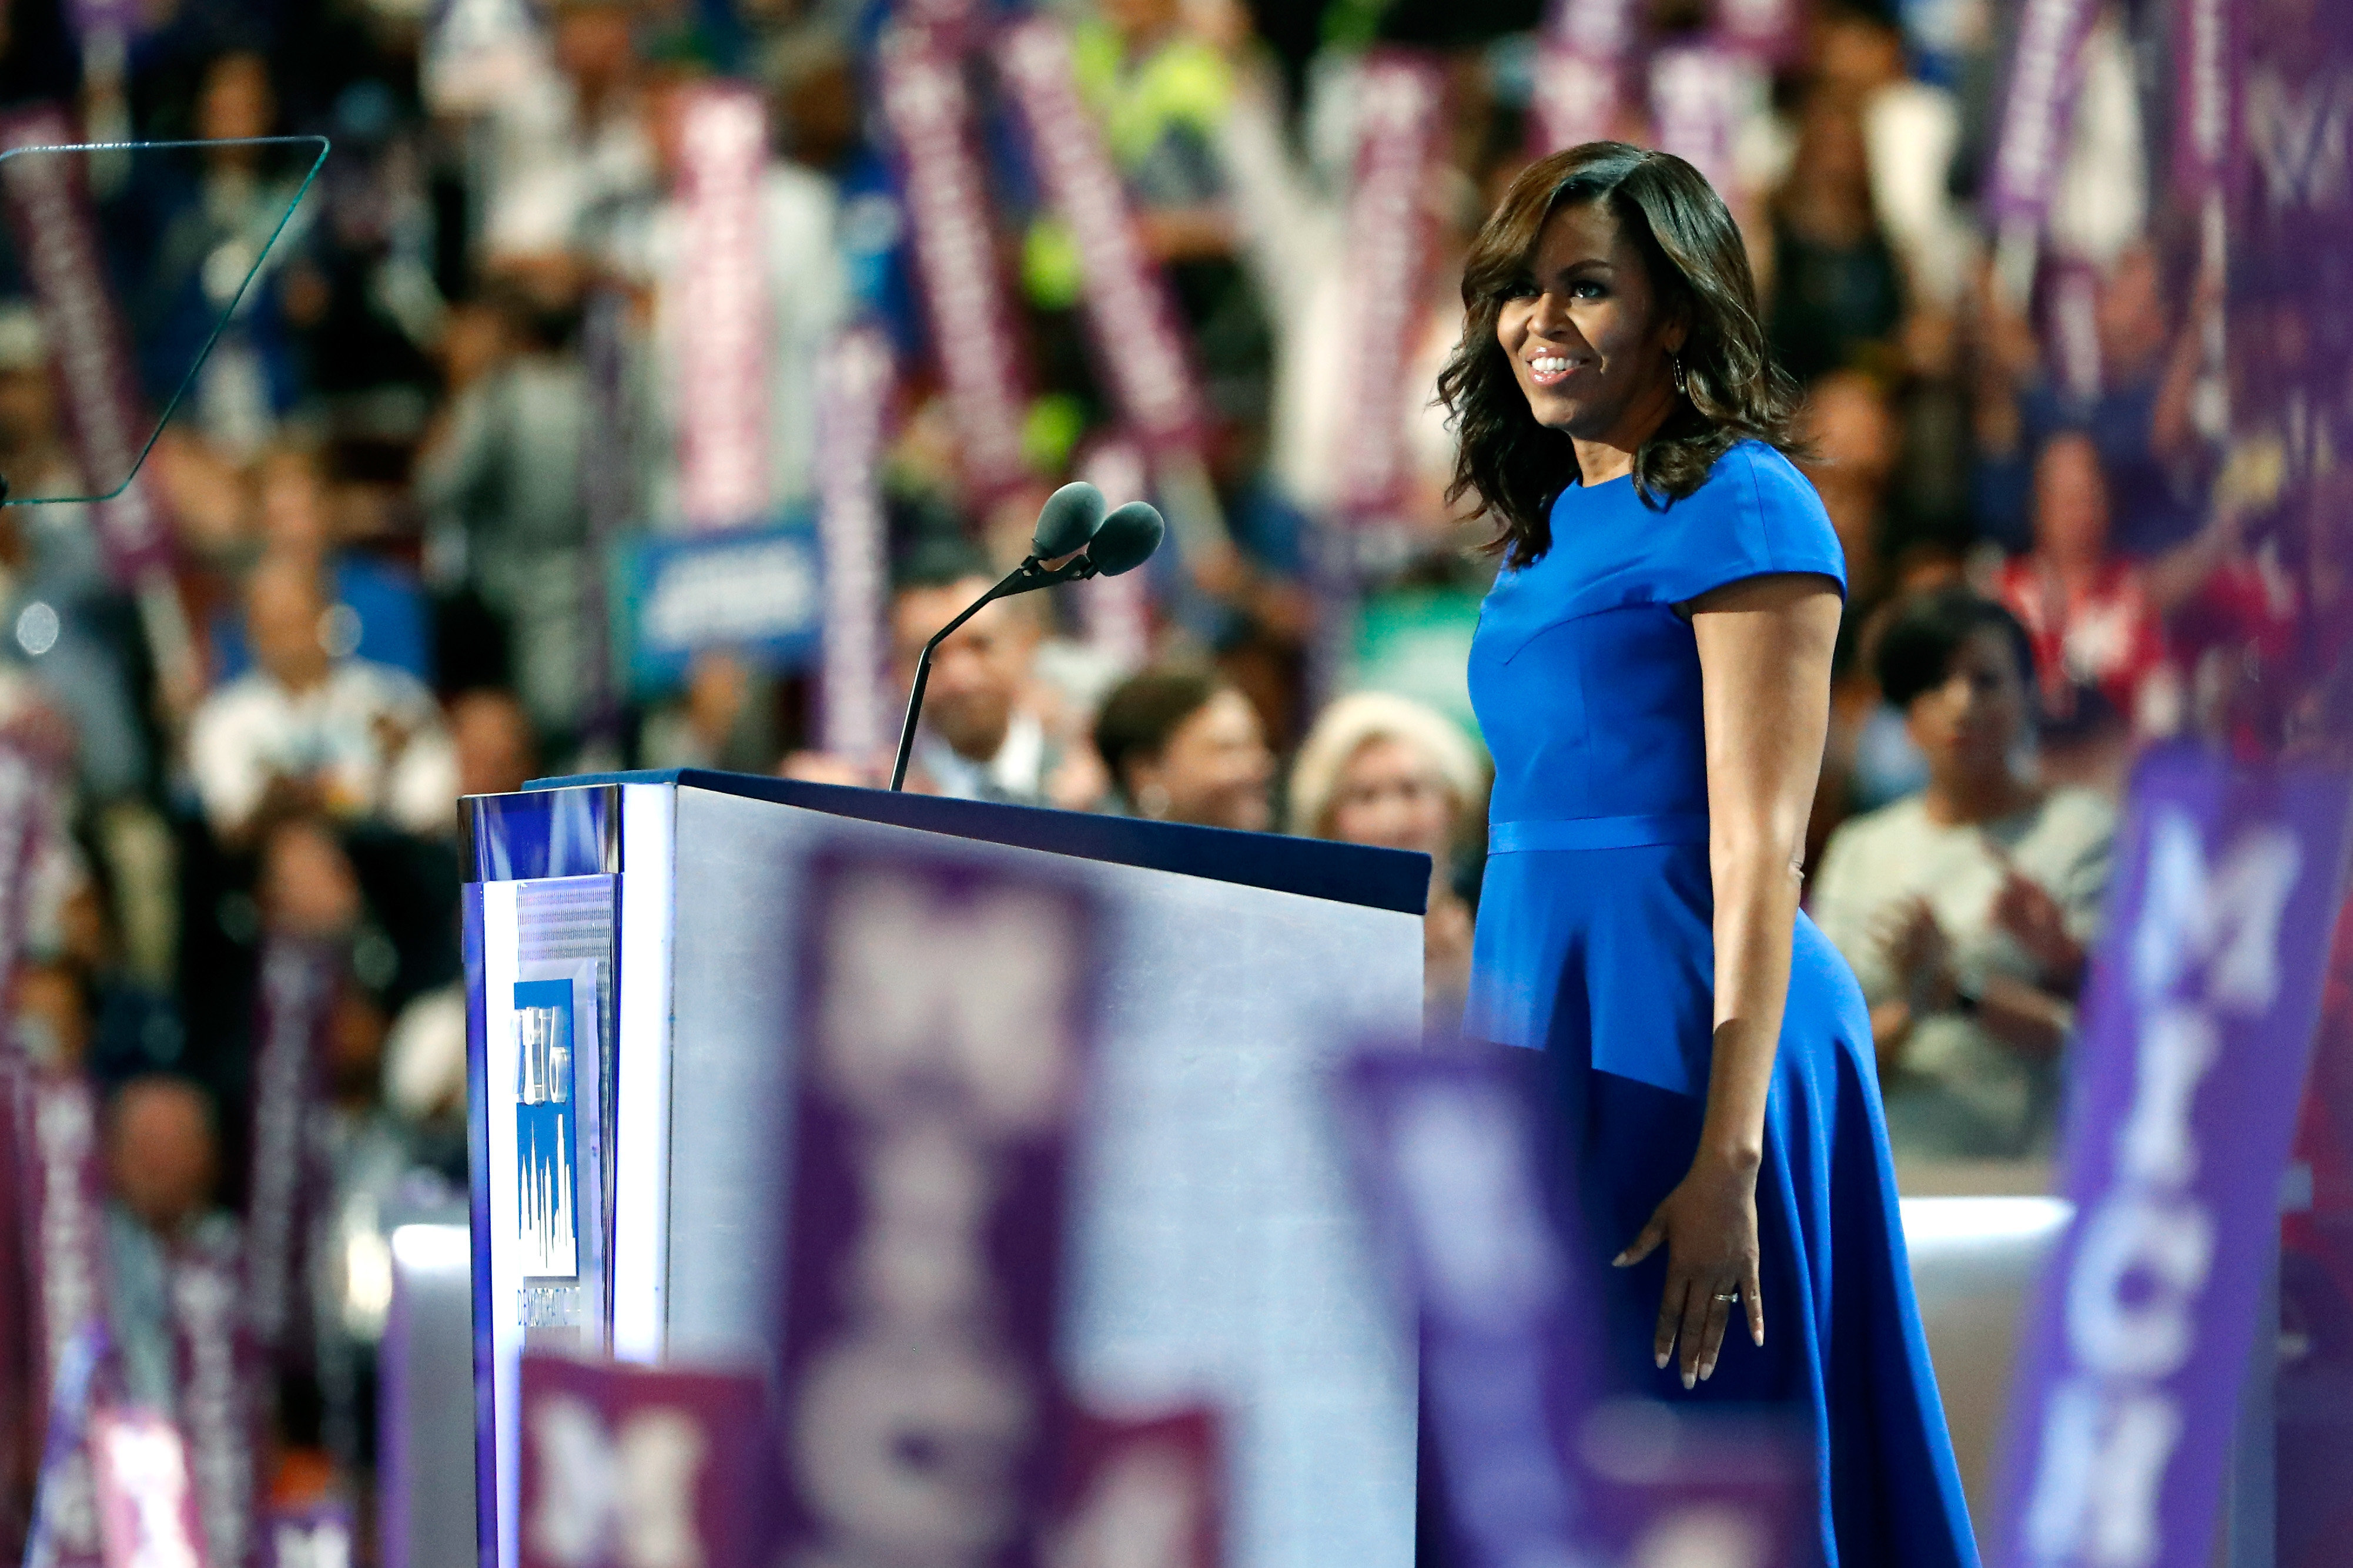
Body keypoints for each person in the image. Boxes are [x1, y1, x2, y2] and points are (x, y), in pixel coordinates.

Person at [1436, 143, 1974, 1562]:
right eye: (1515, 292)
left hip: (1696, 1035)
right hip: (1551, 1018)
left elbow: (1757, 849)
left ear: (1674, 314)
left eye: (1584, 288)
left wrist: (1725, 1158)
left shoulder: (1741, 504)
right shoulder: (1543, 527)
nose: (1537, 322)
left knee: (1705, 1461)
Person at [1810, 588, 2114, 1162]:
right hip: (1894, 1181)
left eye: (1985, 680)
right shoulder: (1861, 850)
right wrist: (1918, 1002)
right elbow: (1825, 1064)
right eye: (1933, 684)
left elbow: (2117, 1035)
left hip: (2036, 1180)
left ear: (2031, 692)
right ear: (1904, 715)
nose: (1961, 704)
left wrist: (1969, 988)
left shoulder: (2081, 832)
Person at [186, 558, 458, 844]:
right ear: (249, 633)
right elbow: (233, 829)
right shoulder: (223, 720)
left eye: (298, 620)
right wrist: (285, 804)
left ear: (330, 618)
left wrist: (377, 785)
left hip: (392, 860)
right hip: (283, 868)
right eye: (273, 624)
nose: (288, 638)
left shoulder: (395, 699)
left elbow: (430, 812)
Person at [1287, 692, 1483, 1030]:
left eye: (1411, 790)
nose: (1392, 820)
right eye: (1365, 796)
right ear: (1327, 823)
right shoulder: (1295, 955)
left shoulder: (1502, 933)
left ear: (1453, 806)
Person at [887, 552, 1059, 806]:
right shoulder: (886, 811)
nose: (960, 678)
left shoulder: (1100, 789)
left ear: (1025, 646)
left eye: (980, 645)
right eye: (931, 656)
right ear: (898, 671)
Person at [1092, 667, 1271, 832]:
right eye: (1228, 749)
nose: (1263, 765)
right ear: (1148, 771)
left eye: (1259, 745)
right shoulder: (1097, 864)